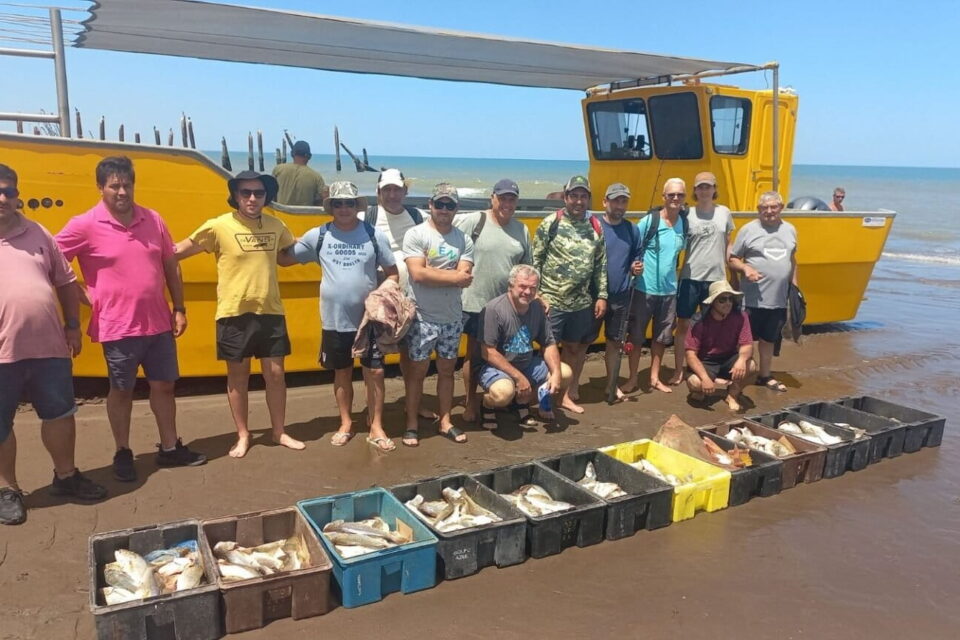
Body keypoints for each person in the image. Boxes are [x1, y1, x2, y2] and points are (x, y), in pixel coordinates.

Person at [55, 156, 205, 482]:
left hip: (158, 322)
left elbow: (170, 264)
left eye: (127, 184)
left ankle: (169, 447)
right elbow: (54, 262)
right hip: (117, 326)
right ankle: (123, 451)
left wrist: (179, 307)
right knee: (121, 390)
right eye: (114, 185)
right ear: (100, 188)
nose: (122, 192)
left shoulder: (153, 219)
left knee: (164, 386)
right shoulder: (84, 224)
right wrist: (85, 295)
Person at [0, 163, 107, 525]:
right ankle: (7, 489)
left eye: (8, 191)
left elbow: (65, 281)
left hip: (49, 346)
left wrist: (73, 325)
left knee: (60, 414)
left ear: (17, 196)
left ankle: (66, 476)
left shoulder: (39, 232)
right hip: (2, 354)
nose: (2, 197)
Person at [175, 170, 305, 457]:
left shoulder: (275, 224)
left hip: (270, 310)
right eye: (245, 193)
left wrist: (328, 246)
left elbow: (289, 254)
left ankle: (279, 431)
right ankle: (243, 435)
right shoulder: (218, 226)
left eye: (258, 193)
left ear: (266, 197)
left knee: (276, 374)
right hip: (233, 313)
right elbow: (178, 251)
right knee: (238, 377)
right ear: (235, 196)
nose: (252, 198)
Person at [279, 181, 399, 452]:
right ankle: (345, 422)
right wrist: (287, 237)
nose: (344, 208)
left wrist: (384, 293)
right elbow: (284, 260)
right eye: (338, 203)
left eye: (349, 203)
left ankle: (376, 425)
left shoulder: (372, 235)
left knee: (376, 372)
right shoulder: (318, 236)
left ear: (357, 206)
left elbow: (393, 273)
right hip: (333, 320)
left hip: (369, 320)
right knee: (341, 372)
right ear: (331, 206)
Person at [359, 168, 435, 421]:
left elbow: (444, 229)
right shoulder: (366, 216)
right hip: (379, 299)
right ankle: (373, 411)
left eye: (397, 189)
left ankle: (413, 404)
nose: (392, 195)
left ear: (405, 191)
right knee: (373, 360)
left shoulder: (418, 216)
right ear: (378, 192)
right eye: (387, 190)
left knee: (412, 355)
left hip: (413, 296)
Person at [401, 183, 474, 446]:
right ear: (431, 205)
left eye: (450, 205)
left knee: (446, 371)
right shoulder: (416, 234)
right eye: (439, 204)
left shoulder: (463, 239)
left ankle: (445, 421)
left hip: (452, 318)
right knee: (417, 372)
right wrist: (451, 276)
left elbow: (465, 278)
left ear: (456, 209)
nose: (444, 209)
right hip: (422, 317)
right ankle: (411, 423)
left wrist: (436, 273)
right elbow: (417, 274)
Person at [453, 178, 531, 423]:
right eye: (502, 197)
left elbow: (527, 267)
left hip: (508, 306)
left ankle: (501, 398)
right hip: (475, 303)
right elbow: (448, 241)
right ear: (492, 198)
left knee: (504, 354)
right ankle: (470, 402)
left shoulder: (522, 229)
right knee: (474, 355)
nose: (507, 202)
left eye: (512, 198)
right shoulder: (474, 221)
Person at [532, 175, 607, 414]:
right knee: (549, 351)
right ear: (565, 198)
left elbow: (600, 264)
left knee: (574, 348)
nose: (578, 201)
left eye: (583, 196)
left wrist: (602, 295)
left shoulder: (596, 225)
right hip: (551, 301)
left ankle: (564, 395)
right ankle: (544, 397)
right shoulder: (550, 223)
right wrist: (538, 295)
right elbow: (536, 260)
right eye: (573, 196)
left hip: (581, 303)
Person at [476, 264, 572, 425]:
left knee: (565, 373)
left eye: (532, 288)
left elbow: (548, 343)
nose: (527, 292)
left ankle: (521, 403)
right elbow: (488, 352)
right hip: (496, 367)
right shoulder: (494, 309)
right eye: (522, 286)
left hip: (527, 363)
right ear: (511, 285)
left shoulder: (537, 308)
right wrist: (519, 377)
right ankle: (487, 404)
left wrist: (555, 373)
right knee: (502, 394)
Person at [728, 191, 798, 393]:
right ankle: (736, 378)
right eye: (764, 208)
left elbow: (793, 260)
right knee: (744, 341)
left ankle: (765, 375)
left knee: (768, 340)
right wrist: (745, 269)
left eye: (773, 207)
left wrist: (795, 288)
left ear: (781, 208)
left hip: (777, 299)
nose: (769, 211)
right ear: (758, 210)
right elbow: (732, 259)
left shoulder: (790, 230)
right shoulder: (748, 230)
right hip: (751, 300)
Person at [624, 178, 687, 393]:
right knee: (636, 336)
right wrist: (634, 265)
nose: (675, 199)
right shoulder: (649, 221)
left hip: (669, 291)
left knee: (661, 338)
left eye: (680, 195)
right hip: (644, 289)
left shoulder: (684, 223)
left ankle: (654, 377)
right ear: (664, 197)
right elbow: (632, 248)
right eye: (671, 195)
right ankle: (632, 378)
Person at [674, 171, 735, 373]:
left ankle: (705, 366)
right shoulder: (686, 214)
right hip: (690, 277)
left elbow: (728, 242)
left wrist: (733, 269)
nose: (704, 190)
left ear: (715, 189)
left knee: (712, 325)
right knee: (683, 324)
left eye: (708, 186)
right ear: (695, 191)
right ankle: (678, 369)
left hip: (716, 279)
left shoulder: (724, 212)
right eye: (700, 187)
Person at [598, 183, 642, 401]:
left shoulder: (632, 230)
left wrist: (637, 265)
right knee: (580, 343)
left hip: (621, 295)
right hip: (594, 295)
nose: (619, 205)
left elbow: (637, 255)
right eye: (615, 200)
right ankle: (572, 387)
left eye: (623, 201)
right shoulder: (593, 225)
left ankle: (611, 384)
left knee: (615, 342)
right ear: (605, 202)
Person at [684, 280, 756, 412]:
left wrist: (740, 361)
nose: (728, 303)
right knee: (696, 383)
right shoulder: (699, 321)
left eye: (730, 299)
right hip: (705, 360)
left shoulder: (741, 316)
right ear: (713, 302)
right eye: (722, 299)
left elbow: (747, 344)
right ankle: (702, 389)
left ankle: (733, 394)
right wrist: (705, 378)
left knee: (750, 365)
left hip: (728, 357)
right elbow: (690, 354)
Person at [271, 140, 325, 206]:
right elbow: (322, 201)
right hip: (304, 215)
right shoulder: (316, 177)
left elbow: (271, 195)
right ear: (309, 156)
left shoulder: (278, 169)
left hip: (281, 214)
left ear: (292, 154)